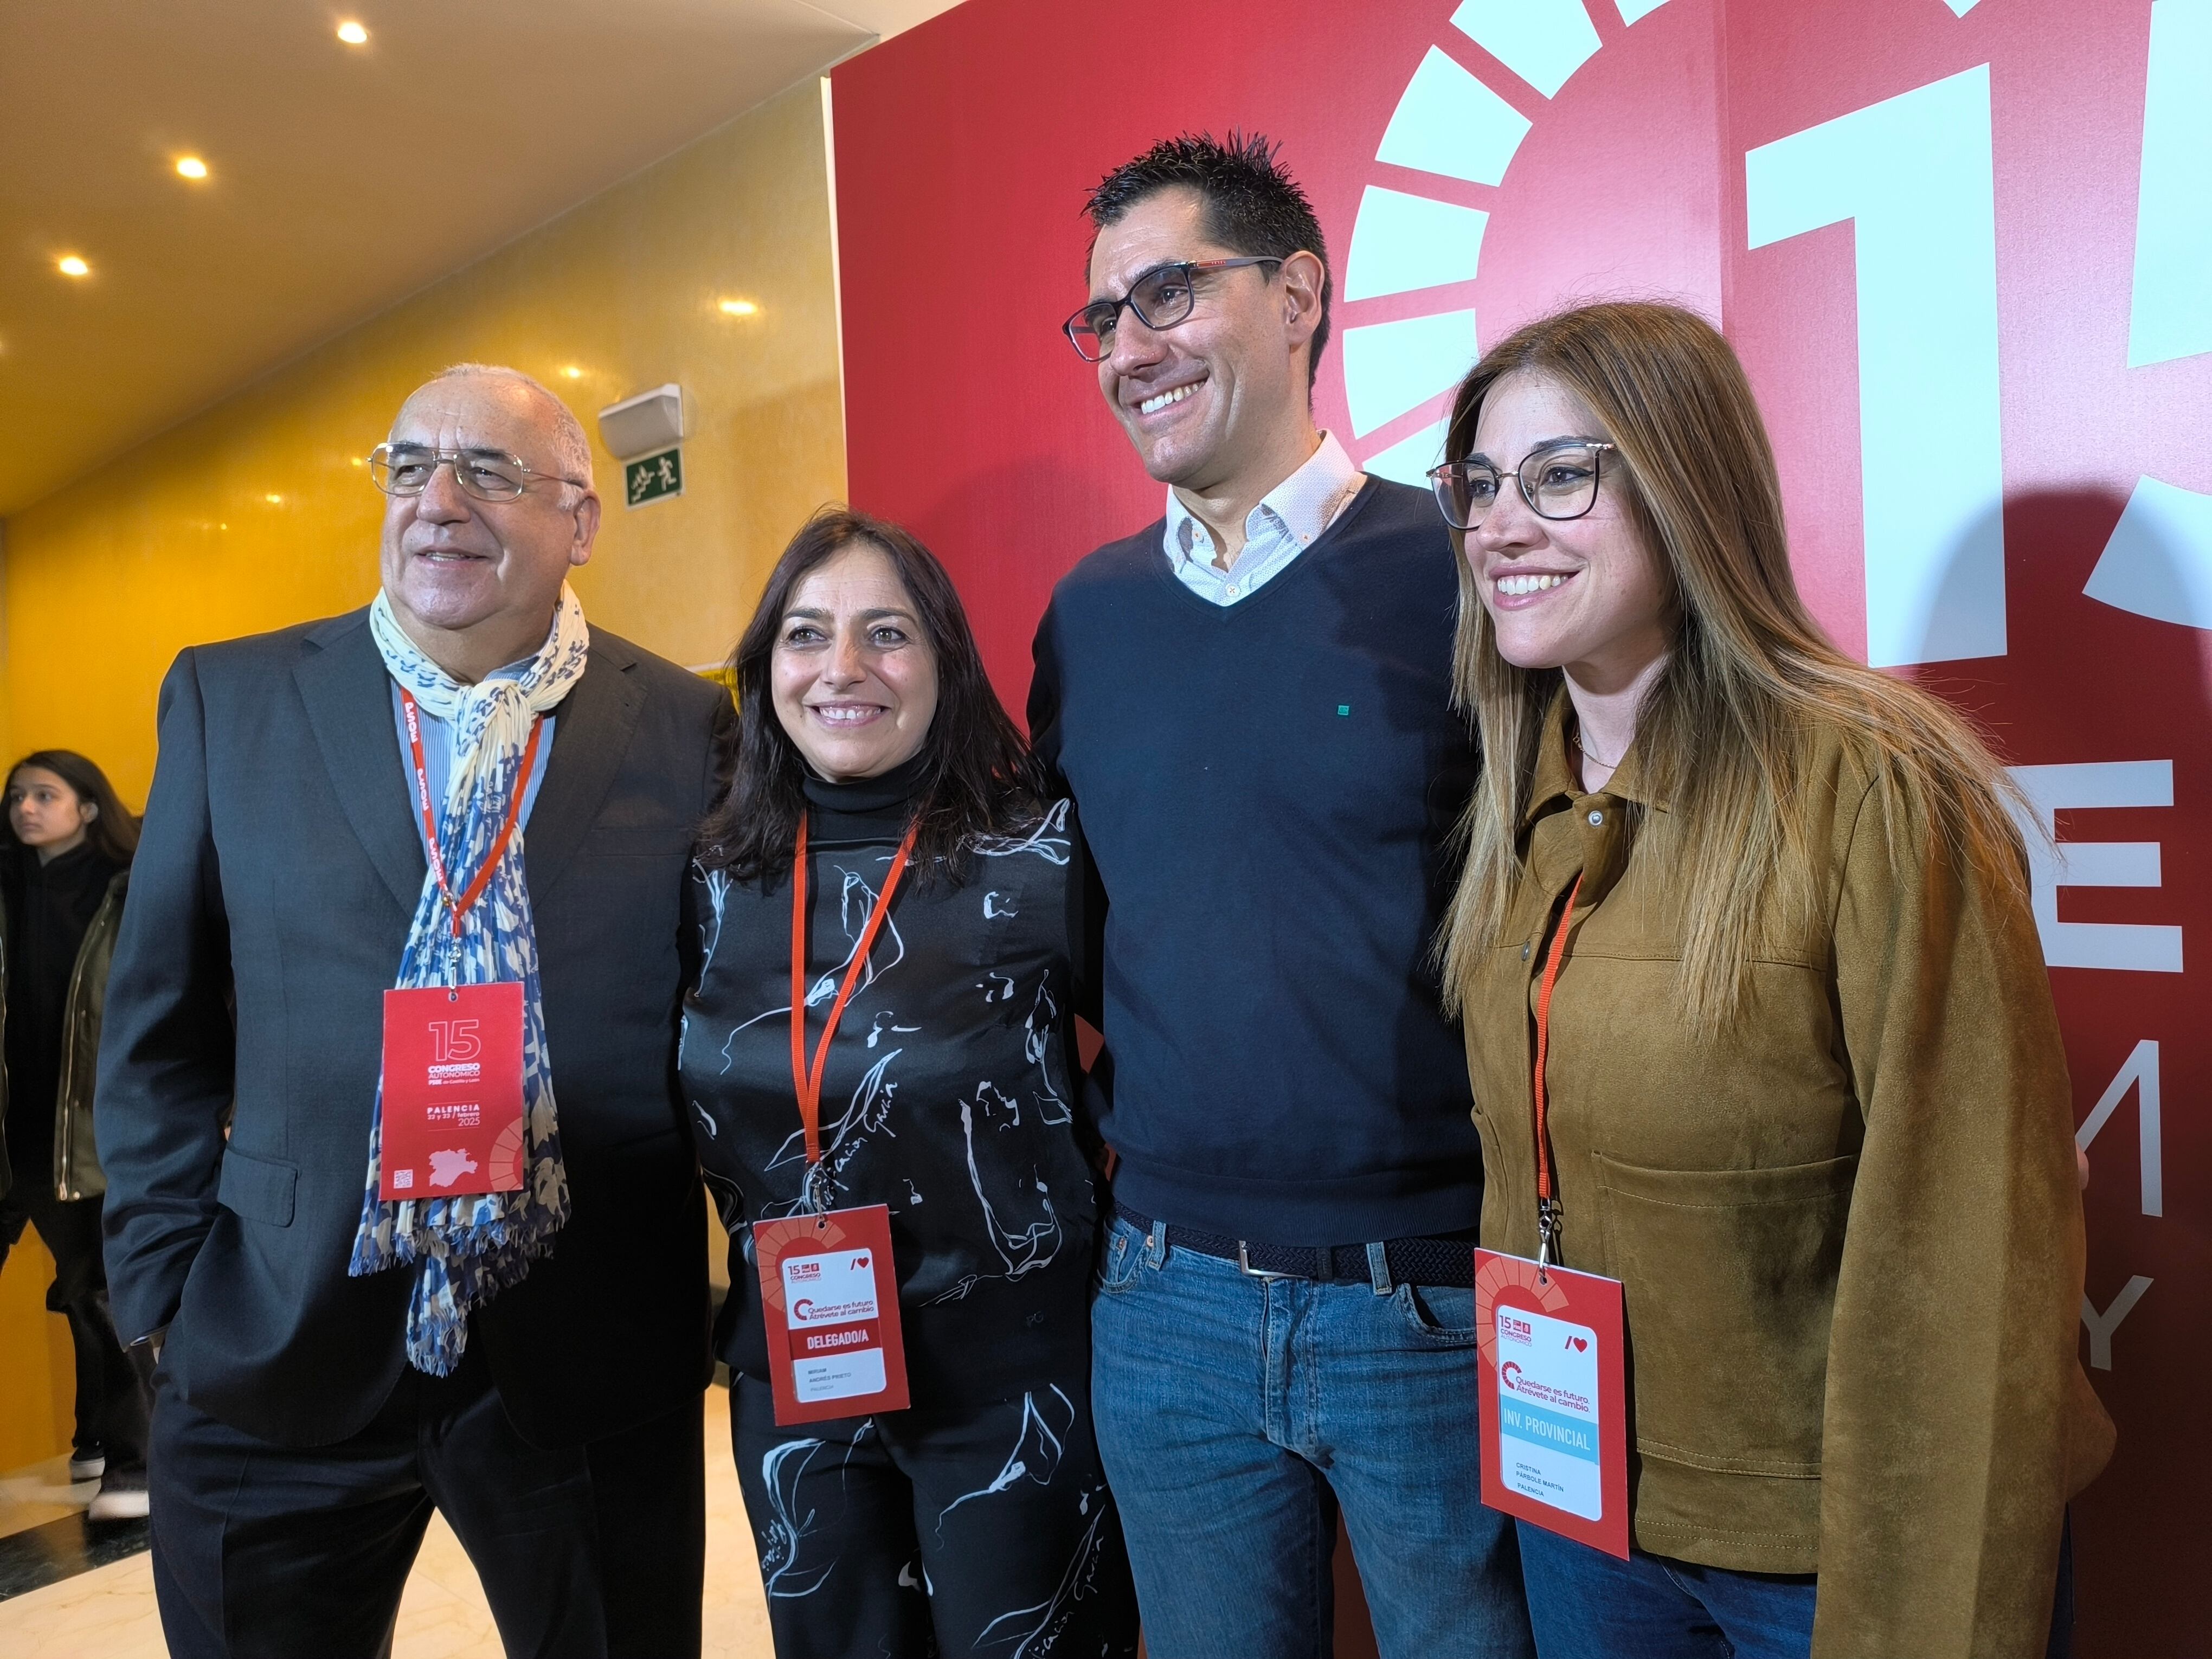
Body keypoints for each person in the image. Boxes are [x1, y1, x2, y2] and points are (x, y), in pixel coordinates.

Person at [1431, 300, 2114, 1657]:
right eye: (1481, 486)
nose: (1503, 526)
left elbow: (1971, 1256)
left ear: (1688, 486)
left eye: (1562, 475)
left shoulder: (1874, 786)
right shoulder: (1522, 799)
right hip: (1587, 1521)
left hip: (1827, 1559)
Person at [97, 364, 735, 1659]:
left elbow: (720, 1023)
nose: (437, 503)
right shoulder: (233, 701)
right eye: (408, 468)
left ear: (583, 522)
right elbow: (157, 1021)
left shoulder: (682, 723)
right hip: (275, 1336)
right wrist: (163, 1290)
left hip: (587, 1343)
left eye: (490, 472)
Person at [1029, 132, 1534, 1657]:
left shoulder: (1470, 568)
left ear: (1303, 293)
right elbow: (1075, 928)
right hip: (1169, 1301)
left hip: (1437, 1307)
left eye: (1168, 293)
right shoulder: (1090, 614)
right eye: (1102, 319)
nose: (1129, 347)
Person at [683, 507, 1139, 1658]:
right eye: (805, 635)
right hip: (797, 1384)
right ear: (764, 666)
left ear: (944, 660)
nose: (843, 669)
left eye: (886, 635)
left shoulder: (1037, 852)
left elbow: (1161, 1057)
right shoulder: (711, 878)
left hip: (1014, 1386)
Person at [1, 750, 152, 1522]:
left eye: (45, 795)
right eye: (17, 796)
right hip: (18, 1130)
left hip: (97, 1128)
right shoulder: (9, 886)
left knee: (104, 1292)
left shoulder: (125, 889)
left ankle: (135, 1463)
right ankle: (96, 1439)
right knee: (83, 1291)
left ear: (89, 807)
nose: (26, 808)